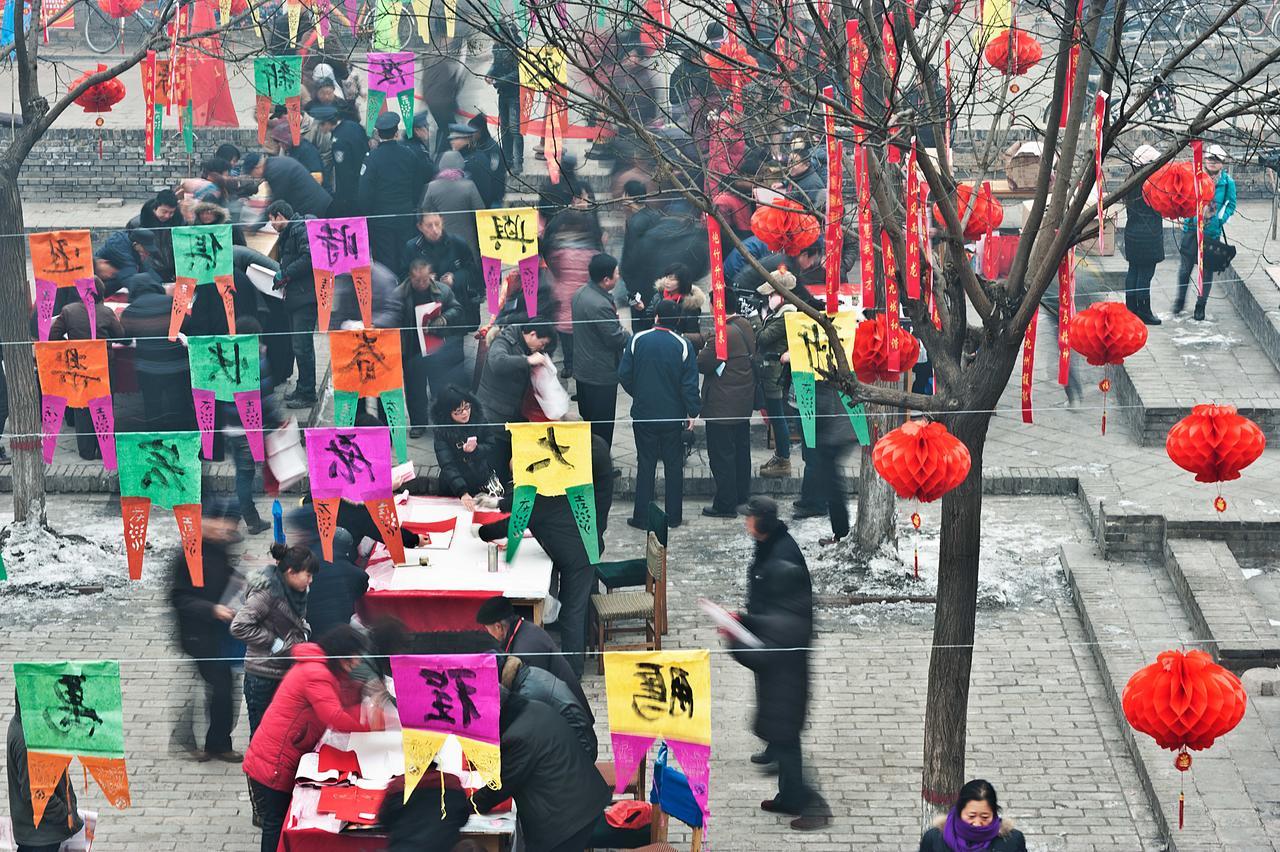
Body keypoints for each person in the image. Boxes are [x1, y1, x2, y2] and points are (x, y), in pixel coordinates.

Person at [729, 497, 830, 831]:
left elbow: (761, 653)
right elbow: (766, 622)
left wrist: (734, 634)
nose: (746, 523)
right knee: (784, 737)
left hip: (785, 678)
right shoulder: (775, 553)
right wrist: (744, 620)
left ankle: (810, 805)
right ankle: (788, 797)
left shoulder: (783, 570)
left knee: (786, 739)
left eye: (750, 518)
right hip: (782, 678)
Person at [242, 626, 379, 852]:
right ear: (342, 654)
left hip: (280, 752)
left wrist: (364, 691)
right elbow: (335, 716)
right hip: (275, 760)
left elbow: (339, 696)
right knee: (276, 825)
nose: (357, 662)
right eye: (354, 656)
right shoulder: (317, 673)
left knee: (277, 821)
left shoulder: (324, 668)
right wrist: (372, 721)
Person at [471, 692, 613, 852]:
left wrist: (468, 804)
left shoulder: (517, 737)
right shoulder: (535, 707)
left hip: (566, 821)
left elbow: (499, 786)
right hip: (584, 798)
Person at [170, 498, 244, 763]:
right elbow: (179, 598)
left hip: (218, 633)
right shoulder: (187, 554)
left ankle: (214, 742)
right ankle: (206, 743)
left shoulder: (220, 547)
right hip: (197, 633)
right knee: (220, 687)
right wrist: (212, 609)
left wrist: (238, 579)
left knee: (220, 687)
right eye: (221, 523)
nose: (226, 530)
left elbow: (222, 576)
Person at [619, 299, 701, 528]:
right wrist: (692, 411)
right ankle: (674, 516)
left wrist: (640, 393)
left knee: (645, 463)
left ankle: (641, 517)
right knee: (674, 466)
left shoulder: (637, 340)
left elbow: (624, 374)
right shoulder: (683, 345)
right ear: (676, 320)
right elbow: (689, 384)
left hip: (644, 414)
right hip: (673, 416)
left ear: (655, 316)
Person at [229, 543, 318, 735]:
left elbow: (297, 620)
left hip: (285, 670)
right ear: (290, 572)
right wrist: (273, 642)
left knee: (282, 732)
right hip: (263, 675)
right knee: (262, 733)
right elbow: (240, 626)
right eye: (307, 575)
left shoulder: (297, 592)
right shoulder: (266, 594)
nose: (310, 581)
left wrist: (304, 631)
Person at [48, 279, 125, 460]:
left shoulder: (68, 311)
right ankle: (104, 448)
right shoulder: (106, 312)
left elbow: (53, 336)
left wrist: (71, 347)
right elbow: (121, 335)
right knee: (104, 407)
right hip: (103, 367)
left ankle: (86, 450)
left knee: (82, 408)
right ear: (101, 293)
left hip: (79, 366)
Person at [699, 288, 757, 517]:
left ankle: (725, 504)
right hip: (742, 403)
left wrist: (702, 348)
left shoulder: (722, 334)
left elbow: (703, 363)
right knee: (741, 453)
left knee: (722, 457)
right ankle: (741, 496)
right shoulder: (744, 326)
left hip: (722, 406)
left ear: (717, 306)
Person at [475, 596, 589, 709]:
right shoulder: (525, 629)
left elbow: (527, 703)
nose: (488, 634)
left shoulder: (525, 650)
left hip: (571, 718)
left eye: (487, 629)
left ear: (498, 627)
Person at [120, 272, 196, 433]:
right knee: (179, 404)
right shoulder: (171, 303)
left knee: (152, 406)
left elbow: (125, 339)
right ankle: (183, 442)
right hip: (177, 364)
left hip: (148, 368)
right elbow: (188, 326)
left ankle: (156, 440)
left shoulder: (131, 311)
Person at [544, 189, 606, 377]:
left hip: (563, 296)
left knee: (566, 335)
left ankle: (569, 365)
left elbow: (551, 263)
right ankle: (581, 365)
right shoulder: (592, 253)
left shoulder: (558, 253)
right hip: (585, 299)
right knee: (584, 335)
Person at [399, 255, 465, 429]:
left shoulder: (442, 291)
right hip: (412, 349)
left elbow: (457, 309)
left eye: (425, 279)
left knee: (439, 386)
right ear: (410, 277)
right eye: (417, 280)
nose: (422, 283)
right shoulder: (400, 294)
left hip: (435, 345)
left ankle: (441, 421)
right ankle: (418, 424)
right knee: (414, 389)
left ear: (431, 276)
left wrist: (442, 319)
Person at [359, 112, 430, 273]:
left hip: (381, 219)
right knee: (405, 258)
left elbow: (364, 193)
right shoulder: (409, 155)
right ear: (396, 132)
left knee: (385, 262)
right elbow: (417, 185)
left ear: (378, 133)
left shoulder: (372, 158)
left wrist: (369, 215)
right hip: (405, 215)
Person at [8, 704, 85, 851]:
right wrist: (67, 816)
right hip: (41, 839)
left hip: (41, 834)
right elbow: (36, 794)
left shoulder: (29, 725)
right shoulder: (28, 741)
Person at [573, 253, 630, 448]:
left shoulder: (580, 293)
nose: (619, 276)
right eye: (616, 274)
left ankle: (592, 462)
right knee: (602, 427)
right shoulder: (599, 305)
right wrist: (627, 333)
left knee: (590, 422)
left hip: (583, 370)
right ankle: (601, 466)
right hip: (600, 374)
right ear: (606, 280)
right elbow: (615, 338)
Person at [1174, 143, 1237, 320]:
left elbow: (1231, 204)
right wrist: (1189, 215)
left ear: (1222, 163)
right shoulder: (1196, 177)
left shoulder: (1227, 183)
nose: (1212, 162)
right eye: (1209, 158)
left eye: (1216, 160)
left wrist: (1219, 219)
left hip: (1211, 232)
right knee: (1185, 269)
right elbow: (1185, 198)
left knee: (1207, 271)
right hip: (1191, 228)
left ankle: (1200, 306)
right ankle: (1179, 302)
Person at [266, 201, 319, 409]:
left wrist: (285, 274)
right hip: (297, 297)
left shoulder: (299, 229)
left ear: (279, 215)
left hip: (305, 298)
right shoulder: (290, 233)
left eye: (272, 221)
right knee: (300, 346)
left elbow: (309, 258)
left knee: (302, 346)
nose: (272, 226)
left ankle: (307, 393)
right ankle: (302, 387)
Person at [753, 269, 802, 478]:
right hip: (770, 371)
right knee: (775, 416)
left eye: (771, 295)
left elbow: (763, 338)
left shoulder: (787, 314)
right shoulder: (780, 313)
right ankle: (780, 456)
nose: (769, 298)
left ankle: (783, 460)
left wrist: (754, 318)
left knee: (778, 417)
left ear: (781, 294)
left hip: (775, 374)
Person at [500, 656, 597, 760]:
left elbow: (519, 742)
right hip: (578, 743)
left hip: (580, 753)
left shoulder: (525, 695)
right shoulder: (527, 673)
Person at [402, 211, 481, 329]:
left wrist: (454, 278)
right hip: (425, 308)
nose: (435, 229)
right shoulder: (412, 247)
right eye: (429, 226)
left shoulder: (457, 243)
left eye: (437, 224)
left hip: (455, 307)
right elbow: (403, 276)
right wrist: (422, 279)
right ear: (420, 227)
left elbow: (473, 272)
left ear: (442, 221)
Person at [476, 321, 555, 425]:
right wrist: (528, 360)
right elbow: (497, 363)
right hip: (493, 414)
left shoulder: (525, 347)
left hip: (511, 411)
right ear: (533, 334)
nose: (542, 347)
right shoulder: (502, 341)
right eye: (542, 343)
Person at [919, 779, 1028, 851]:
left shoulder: (1012, 840)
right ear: (959, 811)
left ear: (994, 814)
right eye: (971, 816)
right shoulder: (934, 839)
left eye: (985, 817)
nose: (977, 823)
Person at [1123, 145, 1165, 326]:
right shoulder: (1152, 183)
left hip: (1132, 232)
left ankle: (1130, 309)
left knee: (1133, 270)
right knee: (1145, 274)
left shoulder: (1130, 180)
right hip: (1149, 235)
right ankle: (1144, 310)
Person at [432, 386, 499, 500]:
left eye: (467, 407)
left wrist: (476, 450)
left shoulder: (479, 419)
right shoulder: (442, 431)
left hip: (480, 479)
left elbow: (491, 444)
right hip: (453, 487)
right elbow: (447, 464)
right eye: (458, 411)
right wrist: (462, 491)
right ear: (448, 413)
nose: (465, 413)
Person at [421, 150, 486, 257]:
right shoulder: (469, 186)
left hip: (441, 236)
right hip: (467, 237)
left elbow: (425, 211)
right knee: (468, 264)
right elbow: (480, 212)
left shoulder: (432, 187)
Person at [619, 179, 664, 330]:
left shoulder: (635, 223)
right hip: (657, 282)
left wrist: (632, 294)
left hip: (639, 286)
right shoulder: (656, 215)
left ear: (628, 196)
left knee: (639, 327)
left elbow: (630, 261)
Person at [242, 151, 332, 218]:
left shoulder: (274, 171)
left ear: (257, 168)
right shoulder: (273, 163)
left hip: (314, 207)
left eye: (251, 173)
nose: (252, 176)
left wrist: (256, 225)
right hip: (314, 203)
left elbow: (276, 203)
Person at [317, 103, 368, 217]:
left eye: (321, 125)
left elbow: (344, 172)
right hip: (365, 178)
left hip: (351, 191)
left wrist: (343, 198)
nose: (320, 129)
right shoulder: (354, 125)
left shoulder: (338, 142)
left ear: (328, 123)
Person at [487, 22, 523, 173]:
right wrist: (489, 74)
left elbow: (518, 73)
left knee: (515, 129)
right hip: (502, 92)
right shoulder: (497, 47)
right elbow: (495, 65)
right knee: (504, 128)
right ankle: (507, 160)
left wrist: (498, 80)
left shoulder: (517, 47)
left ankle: (518, 161)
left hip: (515, 92)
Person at [94, 227, 158, 296]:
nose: (147, 253)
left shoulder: (134, 246)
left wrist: (159, 285)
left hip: (117, 273)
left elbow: (146, 269)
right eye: (145, 250)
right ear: (136, 244)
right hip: (97, 283)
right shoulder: (120, 249)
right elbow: (131, 277)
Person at [650, 262, 706, 340]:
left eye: (672, 279)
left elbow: (693, 337)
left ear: (682, 282)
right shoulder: (658, 297)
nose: (667, 281)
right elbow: (646, 323)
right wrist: (640, 310)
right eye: (666, 277)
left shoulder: (690, 304)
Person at [469, 112, 508, 207]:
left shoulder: (492, 149)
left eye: (471, 131)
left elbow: (493, 171)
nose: (469, 135)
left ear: (480, 131)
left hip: (494, 196)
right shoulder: (477, 144)